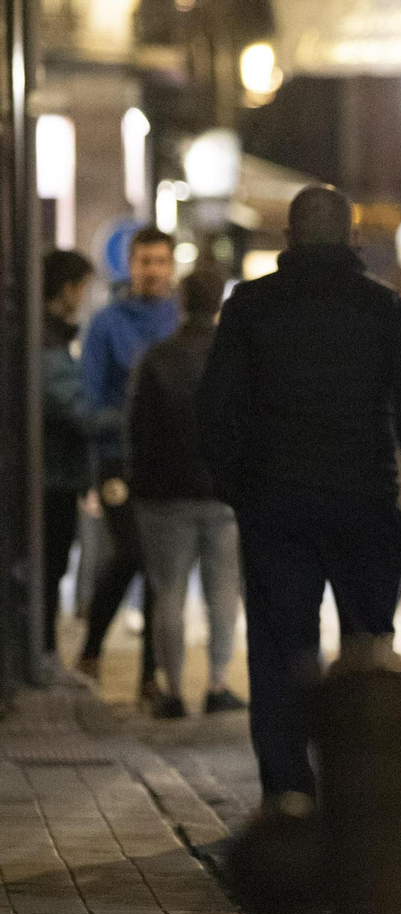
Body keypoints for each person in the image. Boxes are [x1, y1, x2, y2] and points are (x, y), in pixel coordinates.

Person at [199, 185, 401, 800]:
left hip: (277, 502)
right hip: (363, 502)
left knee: (282, 652)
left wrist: (240, 492)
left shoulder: (251, 306)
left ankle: (288, 795)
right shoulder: (383, 309)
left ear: (288, 239)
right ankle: (358, 792)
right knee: (366, 651)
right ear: (354, 238)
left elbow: (217, 411)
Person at [126, 266, 246, 719]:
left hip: (164, 495)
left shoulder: (157, 357)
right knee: (223, 593)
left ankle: (172, 690)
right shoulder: (233, 357)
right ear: (219, 303)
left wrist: (138, 481)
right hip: (222, 493)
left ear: (181, 300)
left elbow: (137, 428)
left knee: (168, 592)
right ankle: (217, 683)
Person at [79, 227, 180, 694]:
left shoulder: (180, 318)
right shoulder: (107, 323)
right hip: (117, 458)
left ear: (172, 265)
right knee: (133, 554)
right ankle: (93, 647)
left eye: (161, 261)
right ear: (130, 265)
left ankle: (149, 675)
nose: (153, 271)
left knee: (160, 562)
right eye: (145, 262)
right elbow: (90, 397)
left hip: (165, 463)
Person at [40, 249, 119, 684]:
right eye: (84, 288)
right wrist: (129, 415)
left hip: (55, 475)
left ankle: (46, 653)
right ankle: (45, 656)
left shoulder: (50, 338)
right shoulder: (47, 346)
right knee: (50, 566)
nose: (85, 298)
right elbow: (77, 411)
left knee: (53, 567)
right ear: (68, 289)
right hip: (50, 479)